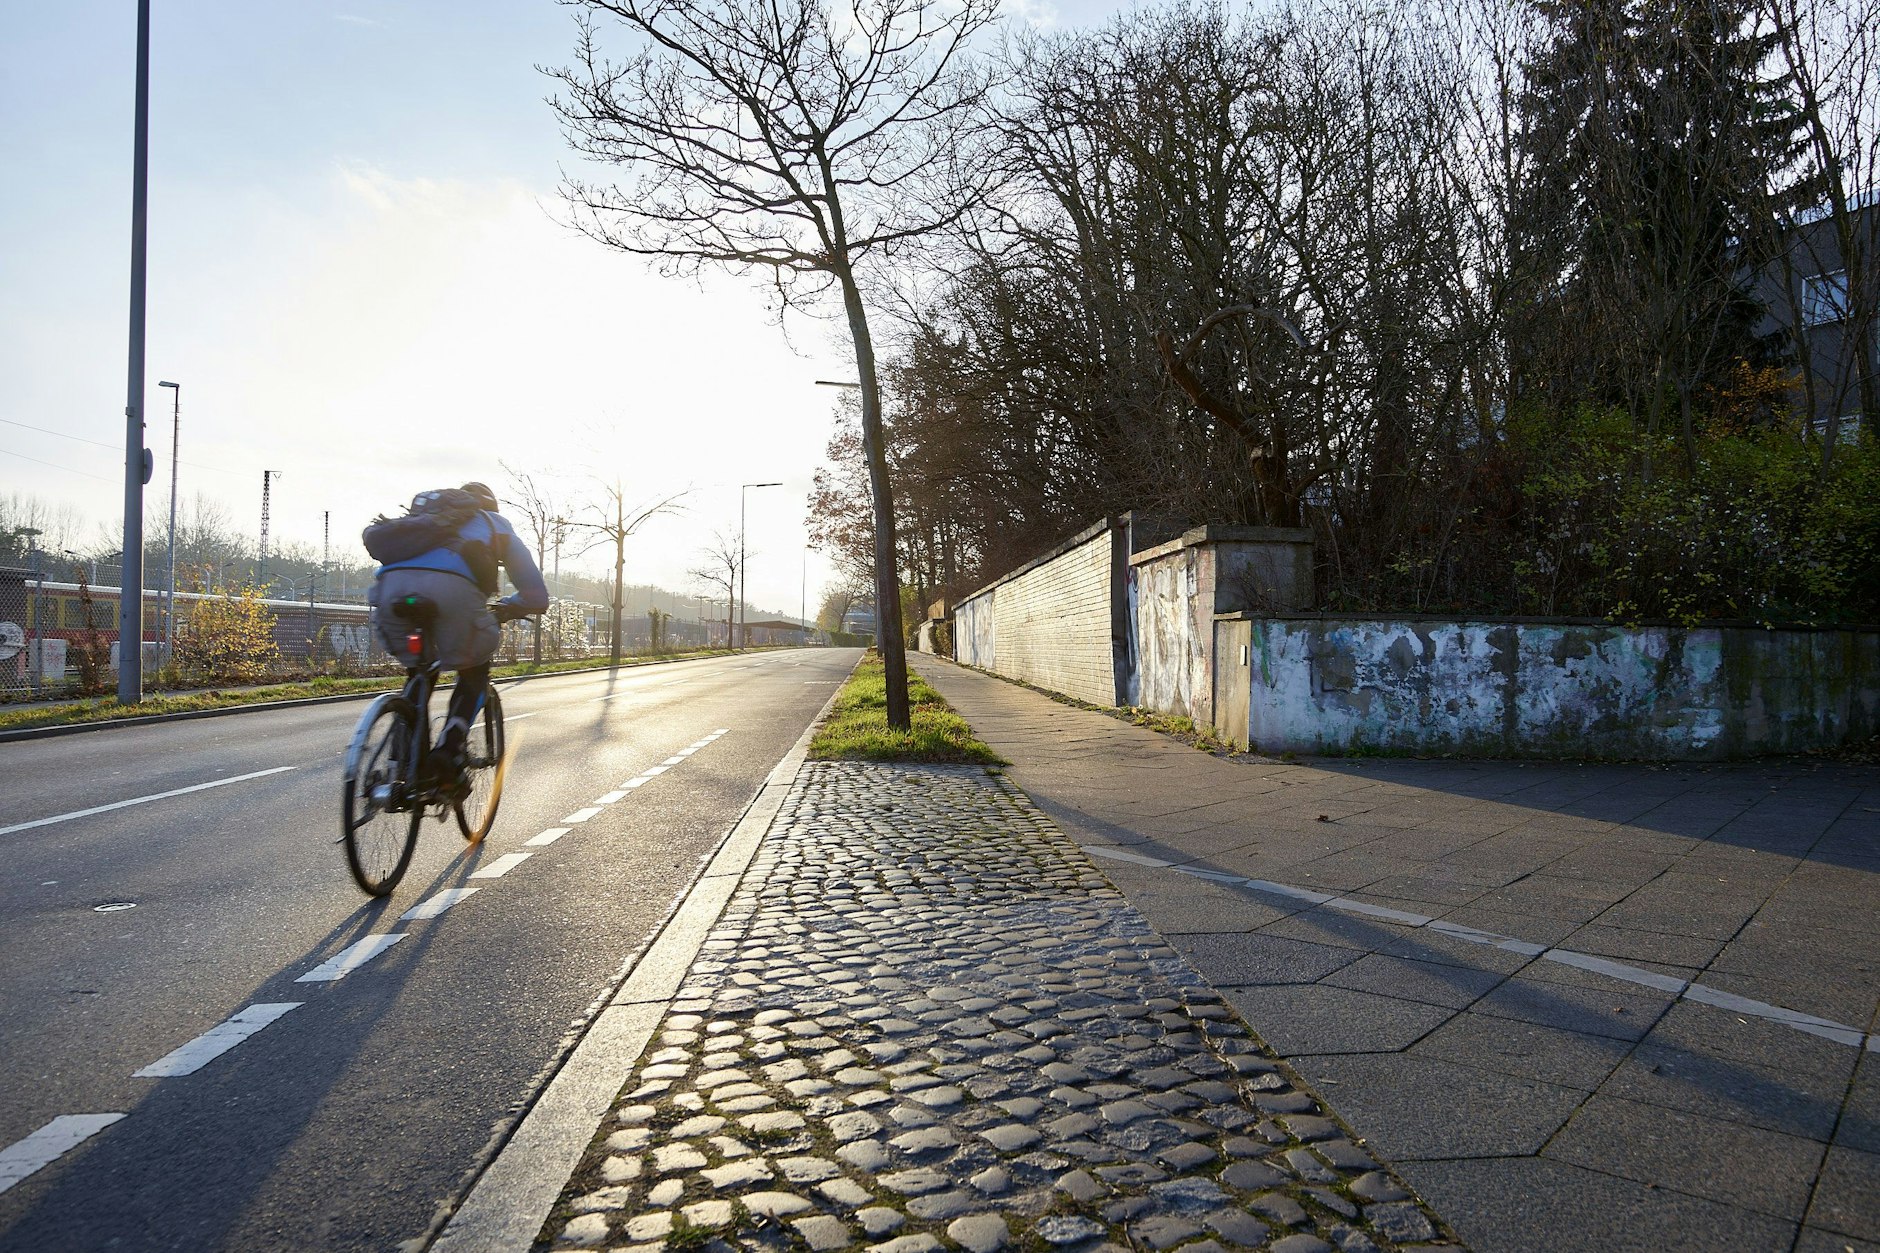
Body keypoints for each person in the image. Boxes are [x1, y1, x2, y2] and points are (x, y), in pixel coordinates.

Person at [368, 481, 549, 776]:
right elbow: (537, 596)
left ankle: (401, 765)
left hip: (391, 590)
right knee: (474, 669)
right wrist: (510, 605)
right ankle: (449, 751)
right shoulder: (495, 523)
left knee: (420, 668)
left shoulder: (421, 522)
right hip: (453, 592)